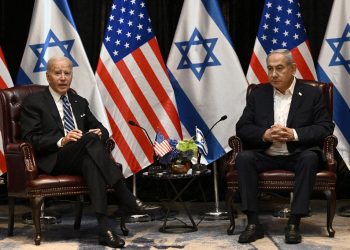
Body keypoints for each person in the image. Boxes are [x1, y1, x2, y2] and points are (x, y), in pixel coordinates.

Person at [20, 56, 160, 248]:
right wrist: (63, 140)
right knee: (91, 142)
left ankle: (105, 231)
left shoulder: (79, 101)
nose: (63, 78)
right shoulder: (34, 101)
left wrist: (98, 133)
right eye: (57, 72)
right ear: (48, 76)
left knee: (91, 160)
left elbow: (102, 129)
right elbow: (30, 138)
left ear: (72, 76)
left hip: (82, 156)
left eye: (67, 73)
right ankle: (125, 196)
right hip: (55, 158)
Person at [235, 49, 334, 244]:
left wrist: (293, 134)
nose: (273, 74)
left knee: (310, 157)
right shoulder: (258, 94)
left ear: (293, 68)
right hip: (265, 153)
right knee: (244, 158)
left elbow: (324, 127)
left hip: (297, 154)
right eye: (270, 69)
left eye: (279, 68)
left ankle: (294, 222)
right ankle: (253, 223)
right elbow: (242, 127)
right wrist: (265, 134)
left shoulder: (311, 94)